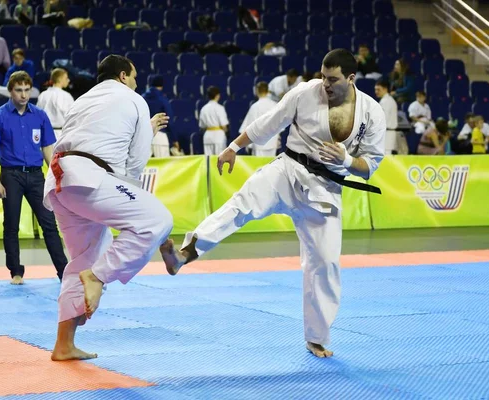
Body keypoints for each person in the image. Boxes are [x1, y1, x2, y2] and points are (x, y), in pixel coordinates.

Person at [160, 49, 386, 358]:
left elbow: (370, 164)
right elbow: (270, 122)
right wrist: (233, 147)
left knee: (326, 263)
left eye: (332, 79)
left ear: (351, 78)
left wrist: (346, 158)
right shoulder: (306, 92)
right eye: (322, 76)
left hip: (325, 189)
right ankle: (185, 254)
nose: (325, 84)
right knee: (242, 203)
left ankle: (316, 337)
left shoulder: (372, 113)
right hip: (287, 169)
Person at [42, 55, 172, 361]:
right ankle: (97, 277)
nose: (137, 83)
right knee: (158, 220)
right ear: (124, 75)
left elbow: (97, 138)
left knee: (82, 259)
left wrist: (144, 131)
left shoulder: (82, 99)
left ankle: (64, 345)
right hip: (89, 178)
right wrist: (135, 197)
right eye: (136, 77)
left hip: (61, 181)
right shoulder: (134, 98)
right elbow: (135, 162)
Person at [0, 71, 68, 285]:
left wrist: (55, 176)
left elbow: (47, 147)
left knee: (49, 224)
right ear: (10, 91)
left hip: (37, 175)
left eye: (27, 90)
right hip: (11, 176)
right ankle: (16, 271)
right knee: (11, 225)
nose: (24, 95)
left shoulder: (40, 115)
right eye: (19, 90)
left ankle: (64, 272)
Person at [240, 81, 280, 157]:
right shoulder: (275, 105)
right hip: (272, 141)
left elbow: (248, 127)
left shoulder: (255, 107)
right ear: (268, 91)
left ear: (257, 91)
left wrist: (248, 144)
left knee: (259, 167)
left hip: (259, 142)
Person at [36, 67, 74, 138]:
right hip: (61, 135)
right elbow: (72, 117)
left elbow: (37, 115)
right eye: (66, 78)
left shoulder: (43, 95)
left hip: (44, 134)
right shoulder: (66, 96)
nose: (68, 80)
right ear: (60, 79)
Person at [198, 86, 229, 155]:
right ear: (217, 95)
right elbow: (224, 125)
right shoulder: (220, 108)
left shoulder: (203, 108)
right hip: (219, 135)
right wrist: (226, 133)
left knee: (208, 160)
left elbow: (202, 126)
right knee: (220, 159)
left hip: (208, 135)